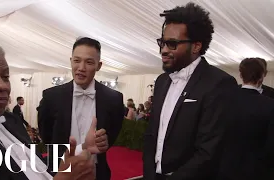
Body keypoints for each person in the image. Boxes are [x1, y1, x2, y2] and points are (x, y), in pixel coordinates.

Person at [0, 40, 95, 180]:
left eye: (5, 77)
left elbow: (37, 168)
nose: (2, 86)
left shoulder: (11, 120)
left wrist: (79, 153)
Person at [143, 3, 237, 180]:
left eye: (172, 44)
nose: (163, 50)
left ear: (196, 47)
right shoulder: (162, 81)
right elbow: (151, 135)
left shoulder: (219, 84)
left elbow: (209, 151)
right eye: (163, 42)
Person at [38, 37, 125, 180]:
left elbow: (112, 134)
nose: (81, 68)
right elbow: (46, 135)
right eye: (77, 60)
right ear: (71, 61)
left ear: (99, 65)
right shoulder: (51, 97)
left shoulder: (114, 98)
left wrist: (104, 142)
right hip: (59, 172)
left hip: (97, 173)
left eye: (89, 62)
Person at [216, 58, 274, 180]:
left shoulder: (222, 100)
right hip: (257, 170)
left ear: (241, 75)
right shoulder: (270, 105)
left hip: (224, 167)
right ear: (262, 76)